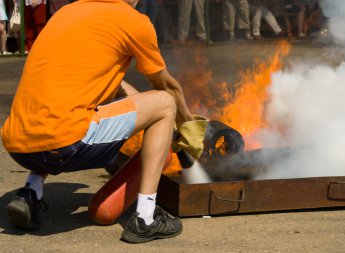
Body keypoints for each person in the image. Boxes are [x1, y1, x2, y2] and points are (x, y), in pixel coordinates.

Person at [1, 0, 207, 244]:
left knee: (59, 112)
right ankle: (146, 217)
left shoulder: (68, 12)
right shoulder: (134, 21)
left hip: (17, 144)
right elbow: (167, 86)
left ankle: (30, 191)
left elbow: (116, 89)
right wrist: (188, 125)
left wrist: (145, 116)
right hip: (65, 145)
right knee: (164, 103)